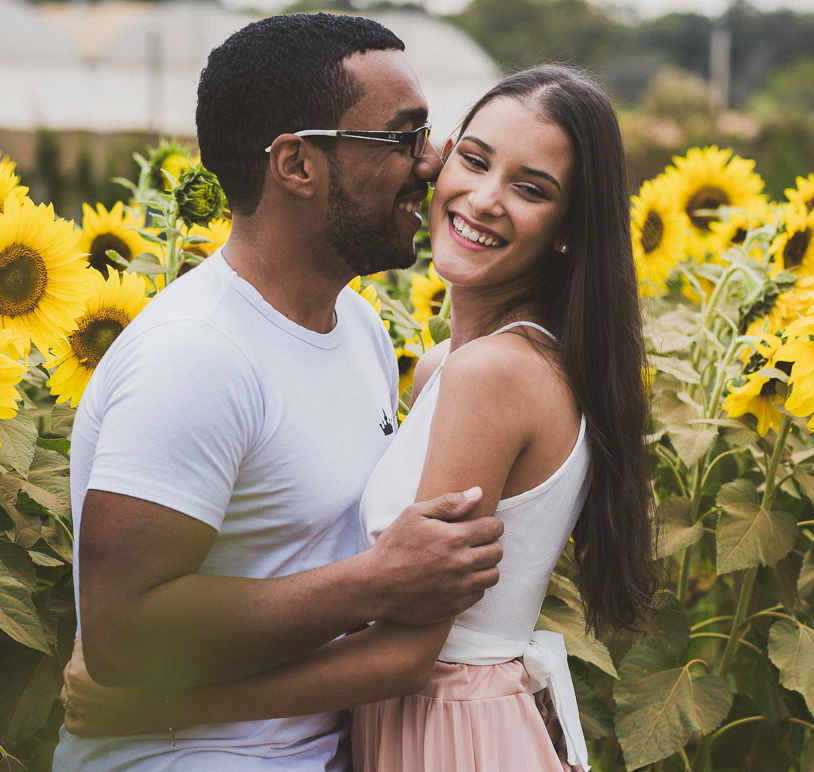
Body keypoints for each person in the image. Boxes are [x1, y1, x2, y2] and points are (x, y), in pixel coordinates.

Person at [61, 64, 659, 771]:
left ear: (568, 229)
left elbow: (407, 651)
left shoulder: (491, 374)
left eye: (531, 189)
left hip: (449, 734)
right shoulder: (443, 364)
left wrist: (159, 704)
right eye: (473, 159)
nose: (484, 198)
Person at [53, 13, 508, 772]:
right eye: (403, 138)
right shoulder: (197, 354)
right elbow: (123, 632)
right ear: (297, 166)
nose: (432, 165)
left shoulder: (356, 325)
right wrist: (376, 581)